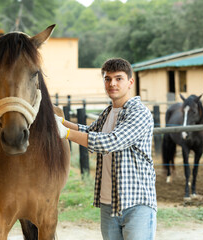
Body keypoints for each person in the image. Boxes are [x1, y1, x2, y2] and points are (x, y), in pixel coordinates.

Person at [55, 58, 157, 240]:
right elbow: (89, 131)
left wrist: (64, 132)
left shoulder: (140, 113)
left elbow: (110, 142)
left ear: (130, 82)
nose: (112, 84)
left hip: (136, 204)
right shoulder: (109, 111)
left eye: (119, 79)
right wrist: (61, 122)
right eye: (108, 79)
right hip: (109, 204)